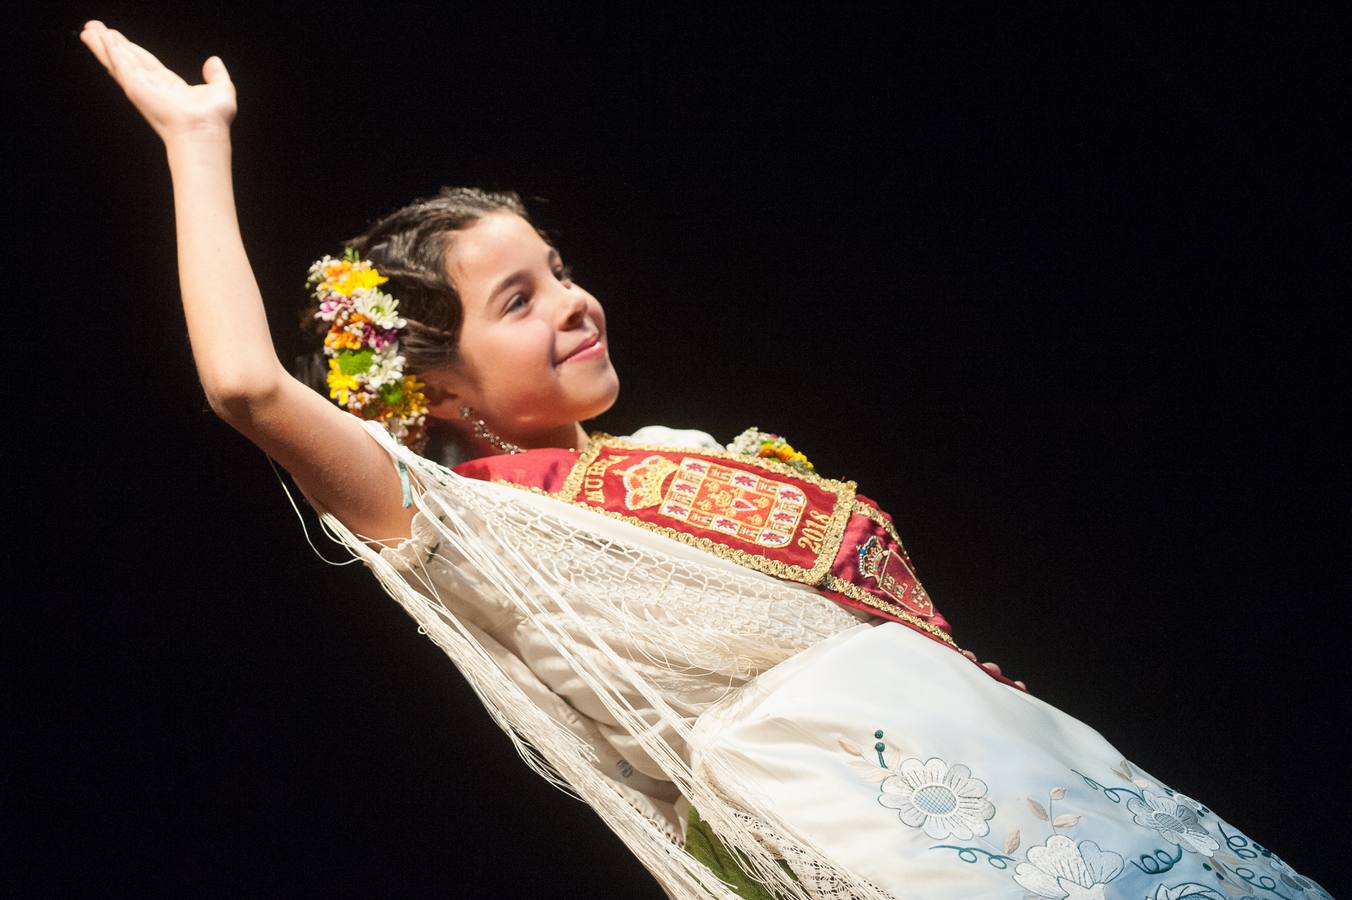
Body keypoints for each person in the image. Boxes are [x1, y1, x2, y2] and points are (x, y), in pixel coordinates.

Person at [79, 21, 1333, 900]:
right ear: (437, 385)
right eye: (517, 300)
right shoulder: (461, 524)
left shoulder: (675, 457)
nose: (572, 303)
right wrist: (199, 142)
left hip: (1004, 760)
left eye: (560, 272)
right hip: (843, 819)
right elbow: (245, 385)